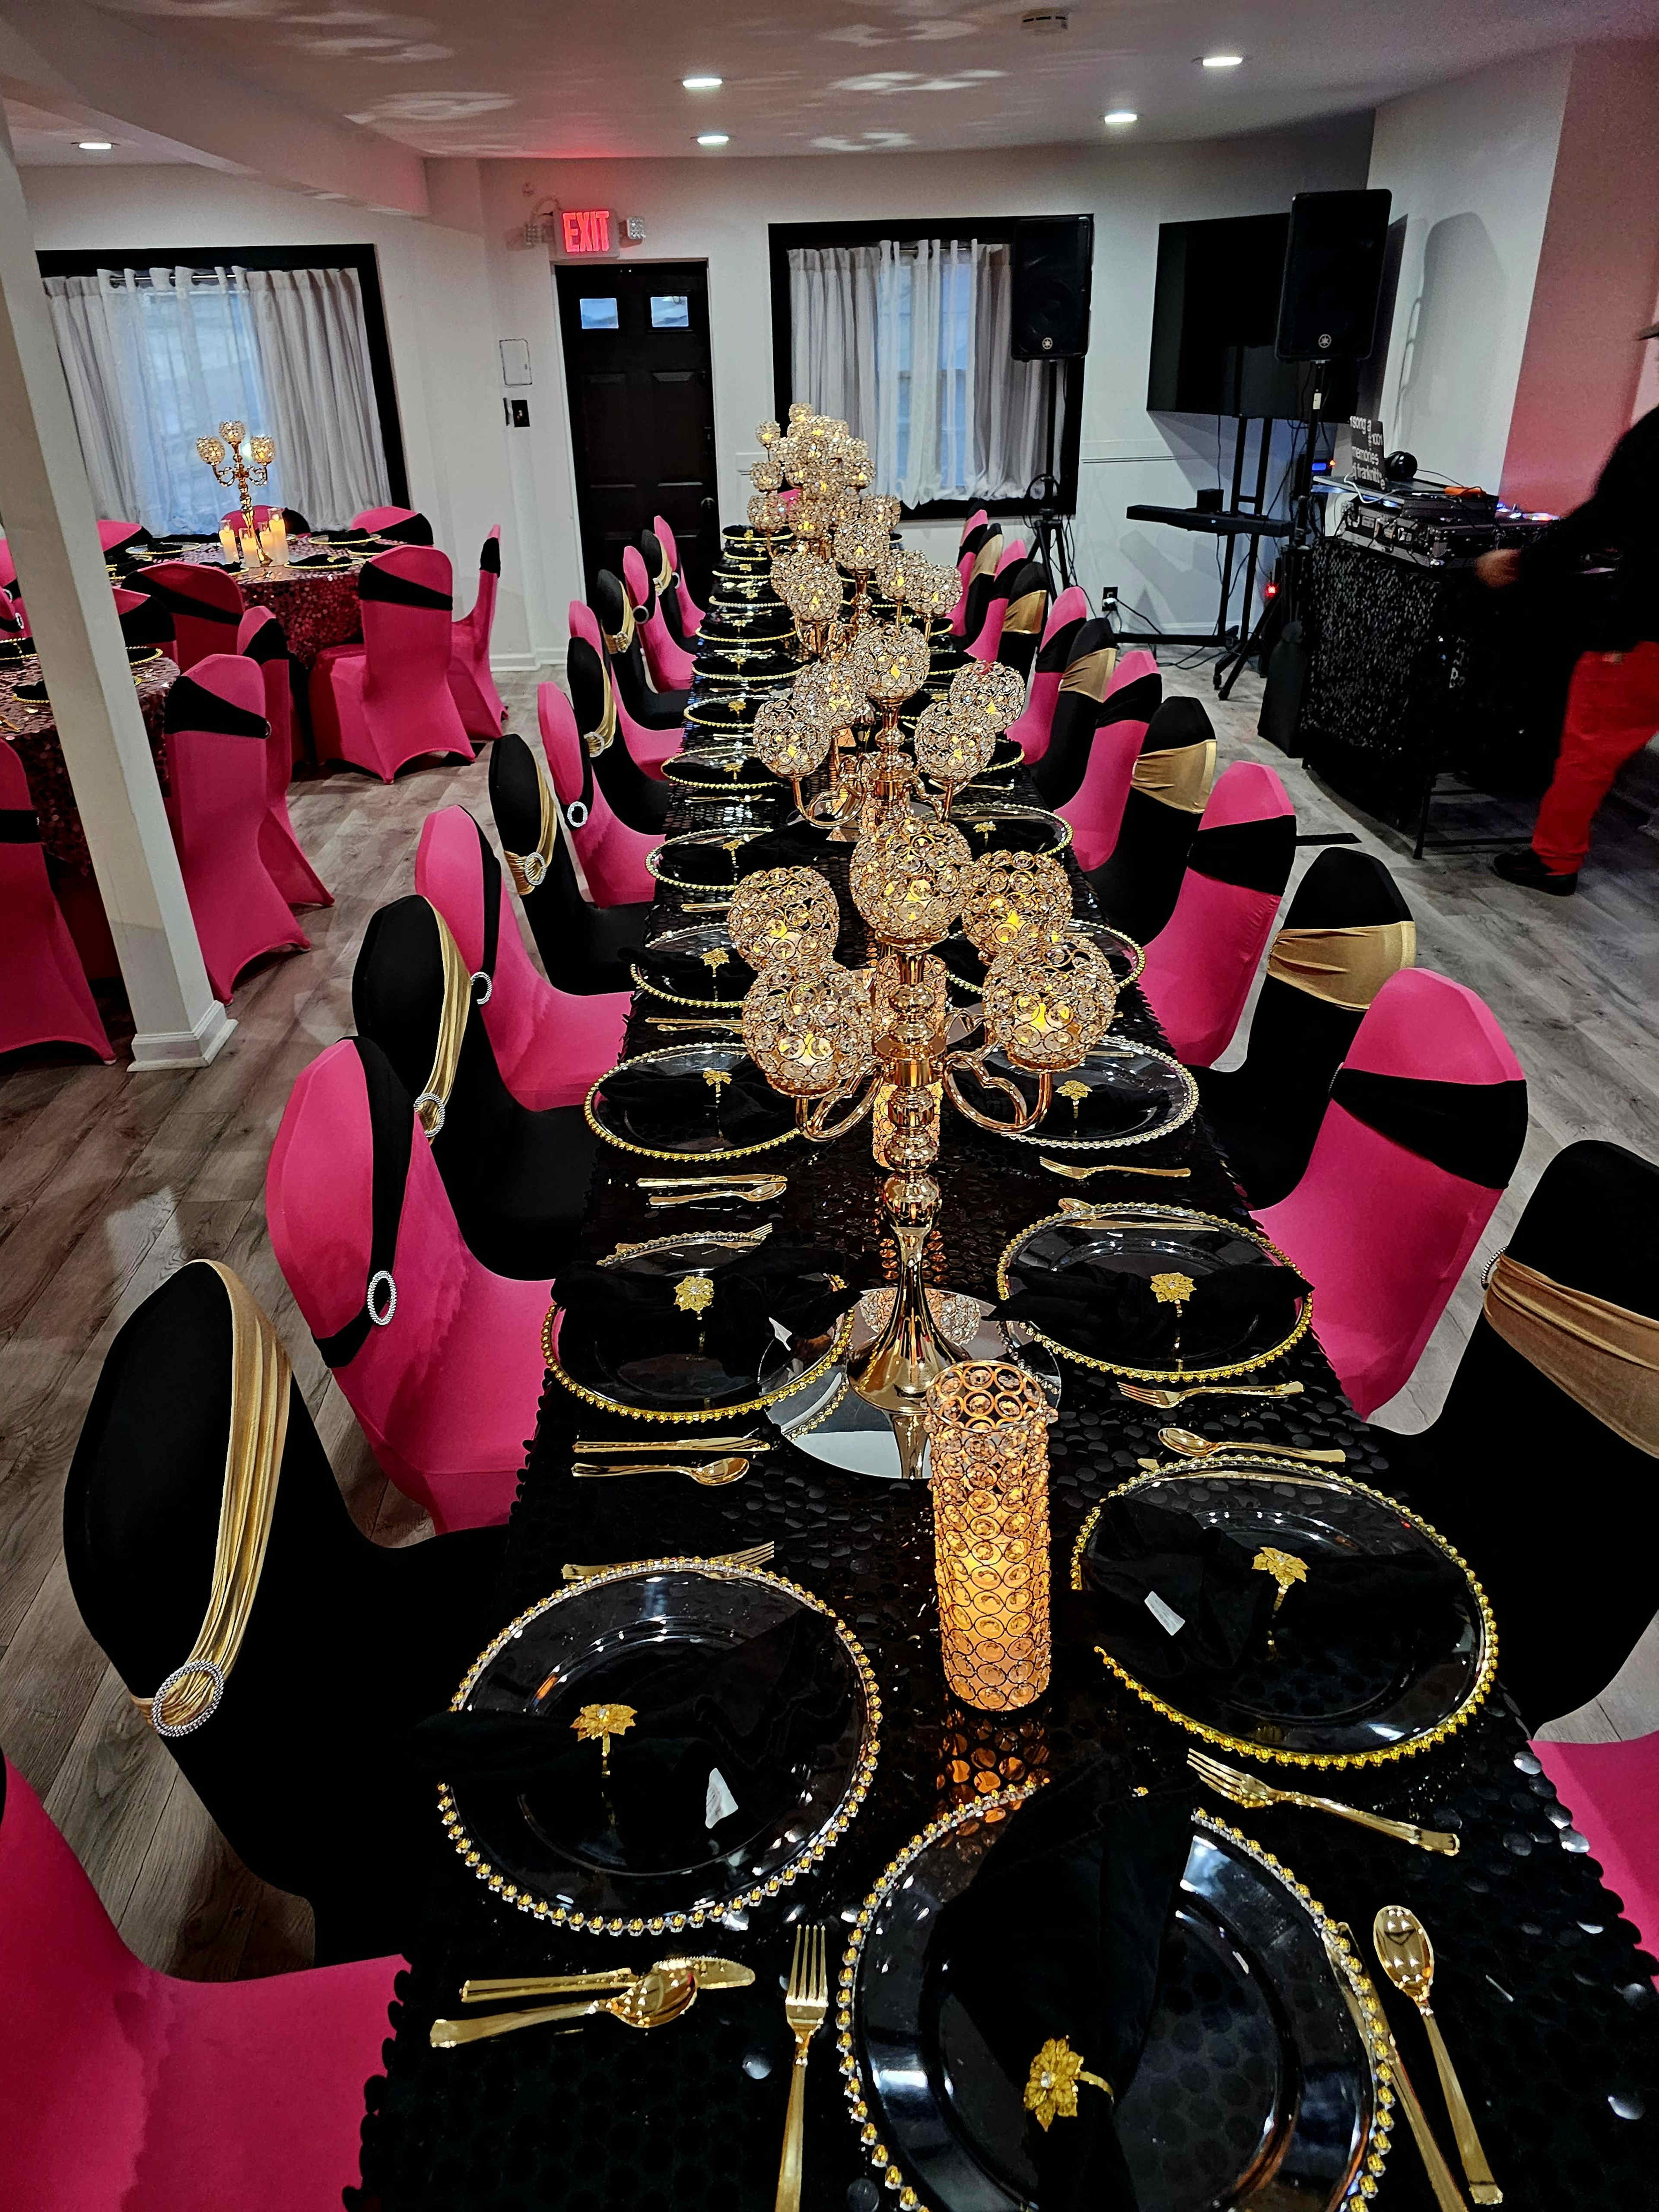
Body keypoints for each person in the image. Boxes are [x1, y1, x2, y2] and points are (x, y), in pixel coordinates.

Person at [1478, 376, 1659, 896]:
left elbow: (1607, 514)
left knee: (1591, 747)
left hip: (1645, 628)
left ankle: (1553, 860)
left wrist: (1523, 562)